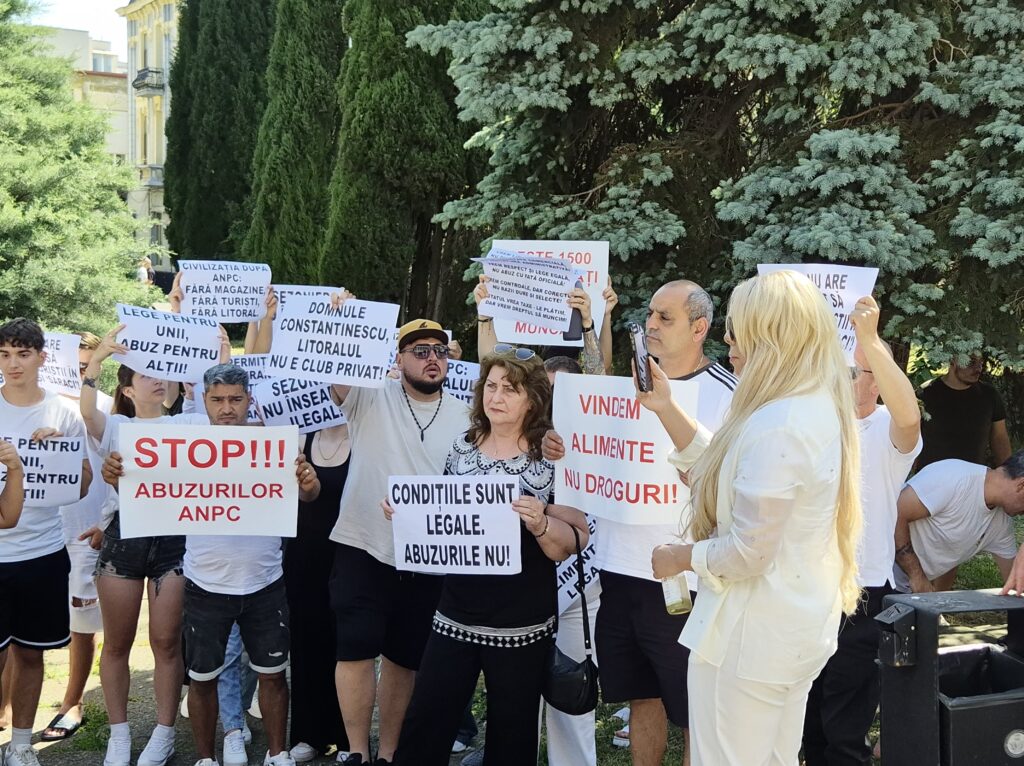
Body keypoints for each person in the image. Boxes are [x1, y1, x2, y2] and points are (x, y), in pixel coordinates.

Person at [647, 270, 863, 765]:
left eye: (737, 330)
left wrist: (681, 556)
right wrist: (665, 407)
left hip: (749, 641)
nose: (727, 342)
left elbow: (749, 552)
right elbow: (729, 469)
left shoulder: (779, 422)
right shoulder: (811, 406)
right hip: (790, 632)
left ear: (770, 337)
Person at [543, 279, 736, 766]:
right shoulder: (626, 382)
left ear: (699, 328)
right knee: (641, 698)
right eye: (650, 314)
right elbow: (593, 446)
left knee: (694, 711)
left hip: (686, 580)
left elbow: (735, 486)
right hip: (619, 569)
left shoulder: (727, 394)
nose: (651, 324)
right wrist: (562, 447)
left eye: (665, 317)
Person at [101, 363, 321, 766]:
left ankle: (278, 754)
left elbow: (306, 494)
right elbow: (145, 486)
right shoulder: (184, 441)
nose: (227, 408)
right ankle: (205, 757)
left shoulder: (273, 441)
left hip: (265, 579)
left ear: (249, 399)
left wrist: (309, 484)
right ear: (203, 400)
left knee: (273, 674)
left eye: (235, 399)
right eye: (217, 399)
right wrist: (117, 476)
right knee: (202, 678)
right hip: (205, 581)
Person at [388, 346, 589, 766]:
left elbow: (575, 539)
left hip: (521, 623)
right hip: (456, 613)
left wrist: (541, 521)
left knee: (512, 736)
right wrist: (409, 513)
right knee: (425, 722)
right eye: (491, 387)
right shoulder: (462, 447)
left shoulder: (553, 456)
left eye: (509, 390)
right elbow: (447, 521)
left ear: (532, 399)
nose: (495, 397)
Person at [328, 313, 471, 766]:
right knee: (355, 647)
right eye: (421, 351)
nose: (433, 359)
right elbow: (337, 367)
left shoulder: (466, 415)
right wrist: (343, 319)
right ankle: (357, 751)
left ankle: (389, 753)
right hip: (363, 544)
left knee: (404, 658)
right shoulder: (371, 396)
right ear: (399, 358)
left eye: (440, 351)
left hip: (428, 555)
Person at [78, 327, 214, 766]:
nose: (158, 380)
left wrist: (219, 353)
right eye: (146, 375)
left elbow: (224, 418)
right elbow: (88, 413)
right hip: (124, 540)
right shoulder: (117, 427)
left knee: (166, 641)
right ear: (128, 390)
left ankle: (164, 731)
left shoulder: (189, 423)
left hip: (174, 543)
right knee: (116, 643)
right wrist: (96, 361)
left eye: (162, 374)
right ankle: (119, 735)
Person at [802, 297, 922, 766]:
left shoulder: (888, 430)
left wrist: (870, 339)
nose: (844, 378)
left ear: (878, 381)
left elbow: (909, 418)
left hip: (862, 594)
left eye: (856, 371)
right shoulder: (809, 422)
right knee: (807, 721)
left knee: (845, 729)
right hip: (805, 587)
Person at [0, 317, 91, 766]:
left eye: (22, 353)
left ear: (42, 356)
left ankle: (20, 745)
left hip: (42, 551)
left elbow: (83, 483)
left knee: (31, 653)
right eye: (4, 355)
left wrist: (58, 455)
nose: (12, 364)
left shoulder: (62, 412)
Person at [41, 332, 116, 742]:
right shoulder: (30, 404)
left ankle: (73, 702)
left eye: (85, 367)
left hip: (86, 528)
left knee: (83, 620)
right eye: (69, 367)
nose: (75, 374)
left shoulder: (102, 407)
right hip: (37, 528)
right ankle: (7, 704)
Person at [285, 422, 351, 762]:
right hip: (304, 557)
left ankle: (348, 738)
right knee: (306, 643)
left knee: (348, 647)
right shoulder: (298, 439)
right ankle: (307, 733)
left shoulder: (366, 436)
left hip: (351, 556)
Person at [894, 452, 1024, 593]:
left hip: (904, 591)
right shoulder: (954, 477)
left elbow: (1016, 582)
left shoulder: (1002, 524)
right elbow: (896, 513)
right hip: (878, 574)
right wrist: (916, 576)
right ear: (1021, 486)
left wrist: (937, 599)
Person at [917, 352, 1011, 469]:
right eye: (971, 362)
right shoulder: (925, 393)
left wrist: (1009, 473)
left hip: (974, 477)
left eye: (981, 362)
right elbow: (910, 437)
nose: (978, 368)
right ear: (952, 360)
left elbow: (999, 438)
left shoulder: (989, 395)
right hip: (931, 477)